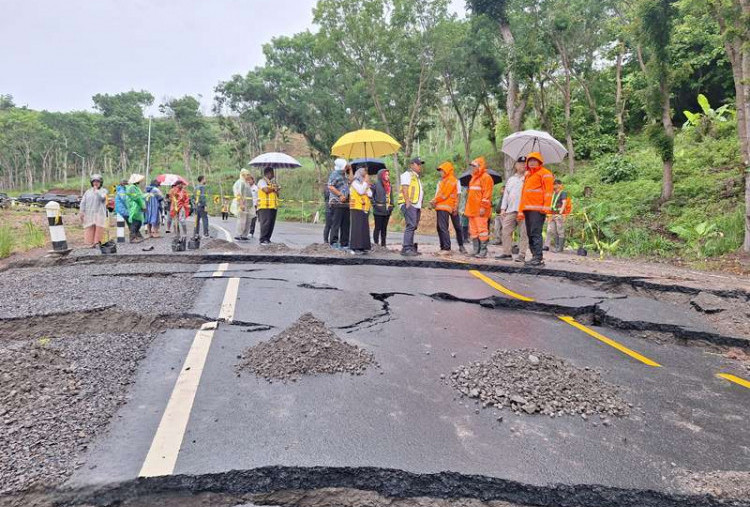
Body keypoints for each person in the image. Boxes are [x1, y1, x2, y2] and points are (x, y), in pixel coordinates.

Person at [518, 152, 555, 267]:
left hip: (538, 210)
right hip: (527, 209)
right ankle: (535, 256)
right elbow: (524, 194)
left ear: (540, 162)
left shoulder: (545, 174)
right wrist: (520, 210)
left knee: (535, 233)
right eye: (530, 160)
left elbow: (548, 192)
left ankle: (538, 257)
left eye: (535, 160)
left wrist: (546, 207)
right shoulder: (528, 175)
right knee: (530, 234)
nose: (532, 162)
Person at [496, 156, 530, 262]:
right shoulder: (511, 179)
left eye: (525, 163)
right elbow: (506, 195)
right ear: (516, 165)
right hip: (511, 209)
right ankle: (506, 253)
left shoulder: (529, 177)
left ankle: (522, 254)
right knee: (505, 230)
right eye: (520, 163)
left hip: (524, 210)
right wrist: (503, 209)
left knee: (523, 233)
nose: (523, 165)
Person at [430, 161, 465, 254]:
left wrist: (456, 207)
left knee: (457, 227)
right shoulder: (440, 183)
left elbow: (458, 195)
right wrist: (433, 201)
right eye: (440, 171)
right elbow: (437, 195)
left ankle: (459, 246)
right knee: (441, 227)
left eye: (442, 171)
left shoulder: (455, 181)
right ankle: (444, 247)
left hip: (452, 207)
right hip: (442, 207)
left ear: (447, 171)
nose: (440, 173)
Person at [464, 157, 494, 258]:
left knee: (482, 231)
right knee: (473, 231)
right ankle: (476, 249)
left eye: (474, 166)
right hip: (471, 210)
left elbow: (487, 194)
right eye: (471, 166)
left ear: (480, 167)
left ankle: (483, 251)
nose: (472, 168)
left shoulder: (486, 177)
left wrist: (483, 207)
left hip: (480, 210)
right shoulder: (473, 178)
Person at [399, 157, 424, 256]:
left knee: (413, 226)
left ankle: (410, 247)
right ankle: (406, 248)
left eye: (420, 164)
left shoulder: (416, 177)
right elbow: (405, 188)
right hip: (410, 204)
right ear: (412, 165)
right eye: (418, 164)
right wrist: (407, 202)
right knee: (411, 225)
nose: (419, 166)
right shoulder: (407, 174)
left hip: (416, 205)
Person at [79, 173, 109, 247]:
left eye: (98, 181)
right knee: (89, 227)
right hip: (89, 213)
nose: (96, 183)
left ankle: (97, 243)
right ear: (92, 183)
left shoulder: (104, 191)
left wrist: (96, 191)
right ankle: (89, 243)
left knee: (99, 228)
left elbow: (102, 198)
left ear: (100, 183)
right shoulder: (88, 192)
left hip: (99, 213)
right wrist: (81, 212)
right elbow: (83, 202)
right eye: (94, 181)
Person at [349, 167, 373, 255]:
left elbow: (370, 194)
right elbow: (361, 191)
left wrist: (366, 184)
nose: (365, 172)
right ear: (359, 172)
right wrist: (365, 184)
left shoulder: (364, 183)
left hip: (364, 208)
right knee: (357, 228)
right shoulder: (354, 182)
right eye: (364, 171)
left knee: (364, 228)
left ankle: (363, 246)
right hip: (356, 207)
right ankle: (355, 247)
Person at [328, 158, 350, 250]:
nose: (346, 167)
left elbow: (351, 181)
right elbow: (330, 186)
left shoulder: (344, 175)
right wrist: (340, 194)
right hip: (336, 202)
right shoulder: (334, 174)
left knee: (346, 224)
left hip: (345, 203)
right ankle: (334, 242)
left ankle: (344, 243)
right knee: (336, 223)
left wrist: (350, 170)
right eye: (345, 166)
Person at [544, 179, 569, 253]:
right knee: (553, 230)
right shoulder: (553, 193)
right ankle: (556, 246)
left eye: (554, 185)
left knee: (560, 230)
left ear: (558, 185)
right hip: (552, 214)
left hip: (558, 214)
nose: (553, 186)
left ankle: (560, 248)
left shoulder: (563, 193)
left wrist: (560, 212)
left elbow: (564, 202)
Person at [257, 167, 279, 245]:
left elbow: (276, 194)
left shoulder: (271, 183)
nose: (273, 174)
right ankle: (262, 239)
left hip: (272, 206)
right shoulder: (261, 181)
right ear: (268, 173)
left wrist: (277, 190)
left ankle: (267, 239)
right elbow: (266, 190)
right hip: (264, 206)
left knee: (271, 224)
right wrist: (273, 189)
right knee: (265, 223)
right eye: (272, 173)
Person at [371, 168, 393, 247]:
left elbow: (391, 197)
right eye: (386, 174)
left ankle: (383, 245)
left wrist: (392, 206)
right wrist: (375, 206)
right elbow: (371, 196)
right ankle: (376, 244)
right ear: (381, 175)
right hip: (378, 210)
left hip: (387, 210)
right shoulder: (375, 185)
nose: (387, 176)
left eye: (388, 174)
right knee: (378, 228)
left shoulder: (389, 185)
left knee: (384, 228)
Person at [231, 169, 254, 241]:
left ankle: (244, 235)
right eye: (247, 175)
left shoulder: (246, 182)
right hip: (242, 204)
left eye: (248, 174)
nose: (248, 176)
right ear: (243, 175)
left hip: (248, 205)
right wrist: (241, 204)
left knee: (248, 220)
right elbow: (238, 194)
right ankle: (238, 235)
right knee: (242, 220)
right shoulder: (240, 182)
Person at [125, 174, 147, 243]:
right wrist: (143, 206)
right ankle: (132, 238)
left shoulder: (135, 187)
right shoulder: (132, 187)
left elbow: (140, 196)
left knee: (139, 222)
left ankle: (137, 236)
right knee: (135, 223)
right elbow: (137, 198)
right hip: (134, 207)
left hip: (138, 207)